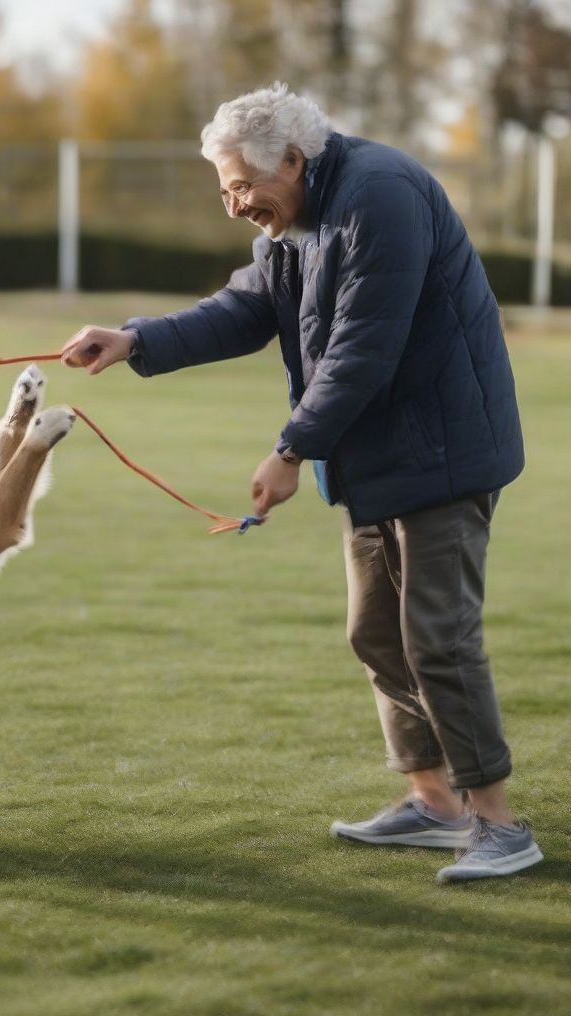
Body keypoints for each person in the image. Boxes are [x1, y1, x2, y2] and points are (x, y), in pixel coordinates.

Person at [61, 82, 542, 883]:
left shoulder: (379, 195)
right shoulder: (295, 222)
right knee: (376, 634)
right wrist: (134, 340)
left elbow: (363, 346)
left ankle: (498, 822)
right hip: (374, 456)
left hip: (443, 450)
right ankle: (435, 806)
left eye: (242, 186)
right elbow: (244, 309)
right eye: (225, 190)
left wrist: (290, 450)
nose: (235, 205)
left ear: (292, 158)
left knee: (438, 638)